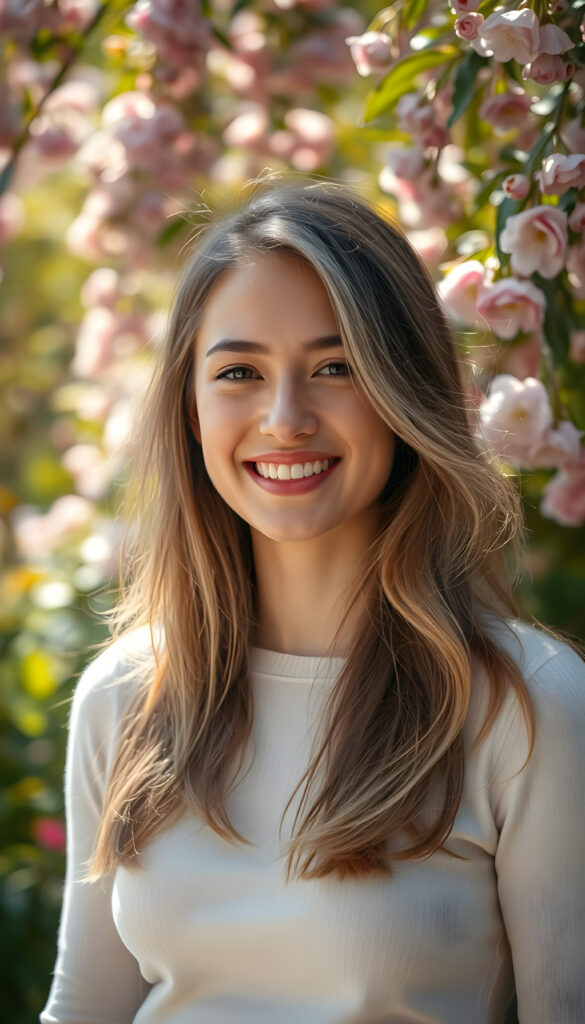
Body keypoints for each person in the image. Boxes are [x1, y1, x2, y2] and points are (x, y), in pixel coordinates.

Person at [41, 180, 585, 1024]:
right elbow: (84, 1008)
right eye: (239, 372)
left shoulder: (526, 704)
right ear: (191, 411)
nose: (285, 418)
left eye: (335, 367)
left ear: (403, 392)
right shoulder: (126, 694)